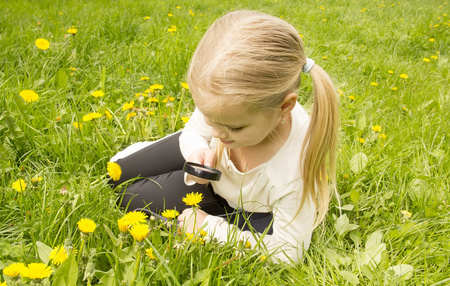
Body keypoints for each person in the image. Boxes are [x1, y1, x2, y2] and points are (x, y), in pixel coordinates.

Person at [110, 10, 339, 263]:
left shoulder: (294, 169)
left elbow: (289, 252)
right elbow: (196, 132)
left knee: (129, 199)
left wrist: (209, 228)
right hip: (212, 177)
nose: (217, 134)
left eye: (235, 127)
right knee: (115, 174)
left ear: (284, 108)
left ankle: (225, 215)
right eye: (210, 118)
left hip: (244, 209)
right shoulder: (224, 95)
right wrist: (196, 149)